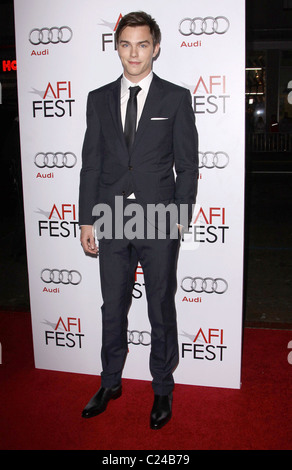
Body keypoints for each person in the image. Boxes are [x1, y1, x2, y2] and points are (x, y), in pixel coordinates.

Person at [79, 11, 198, 430]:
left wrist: (181, 214)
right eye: (126, 44)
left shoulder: (175, 98)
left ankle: (162, 387)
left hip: (159, 215)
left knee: (160, 307)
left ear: (156, 47)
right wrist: (86, 219)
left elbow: (187, 163)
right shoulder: (98, 98)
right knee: (113, 307)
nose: (134, 52)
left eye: (142, 44)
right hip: (111, 216)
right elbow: (90, 164)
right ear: (117, 47)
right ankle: (110, 381)